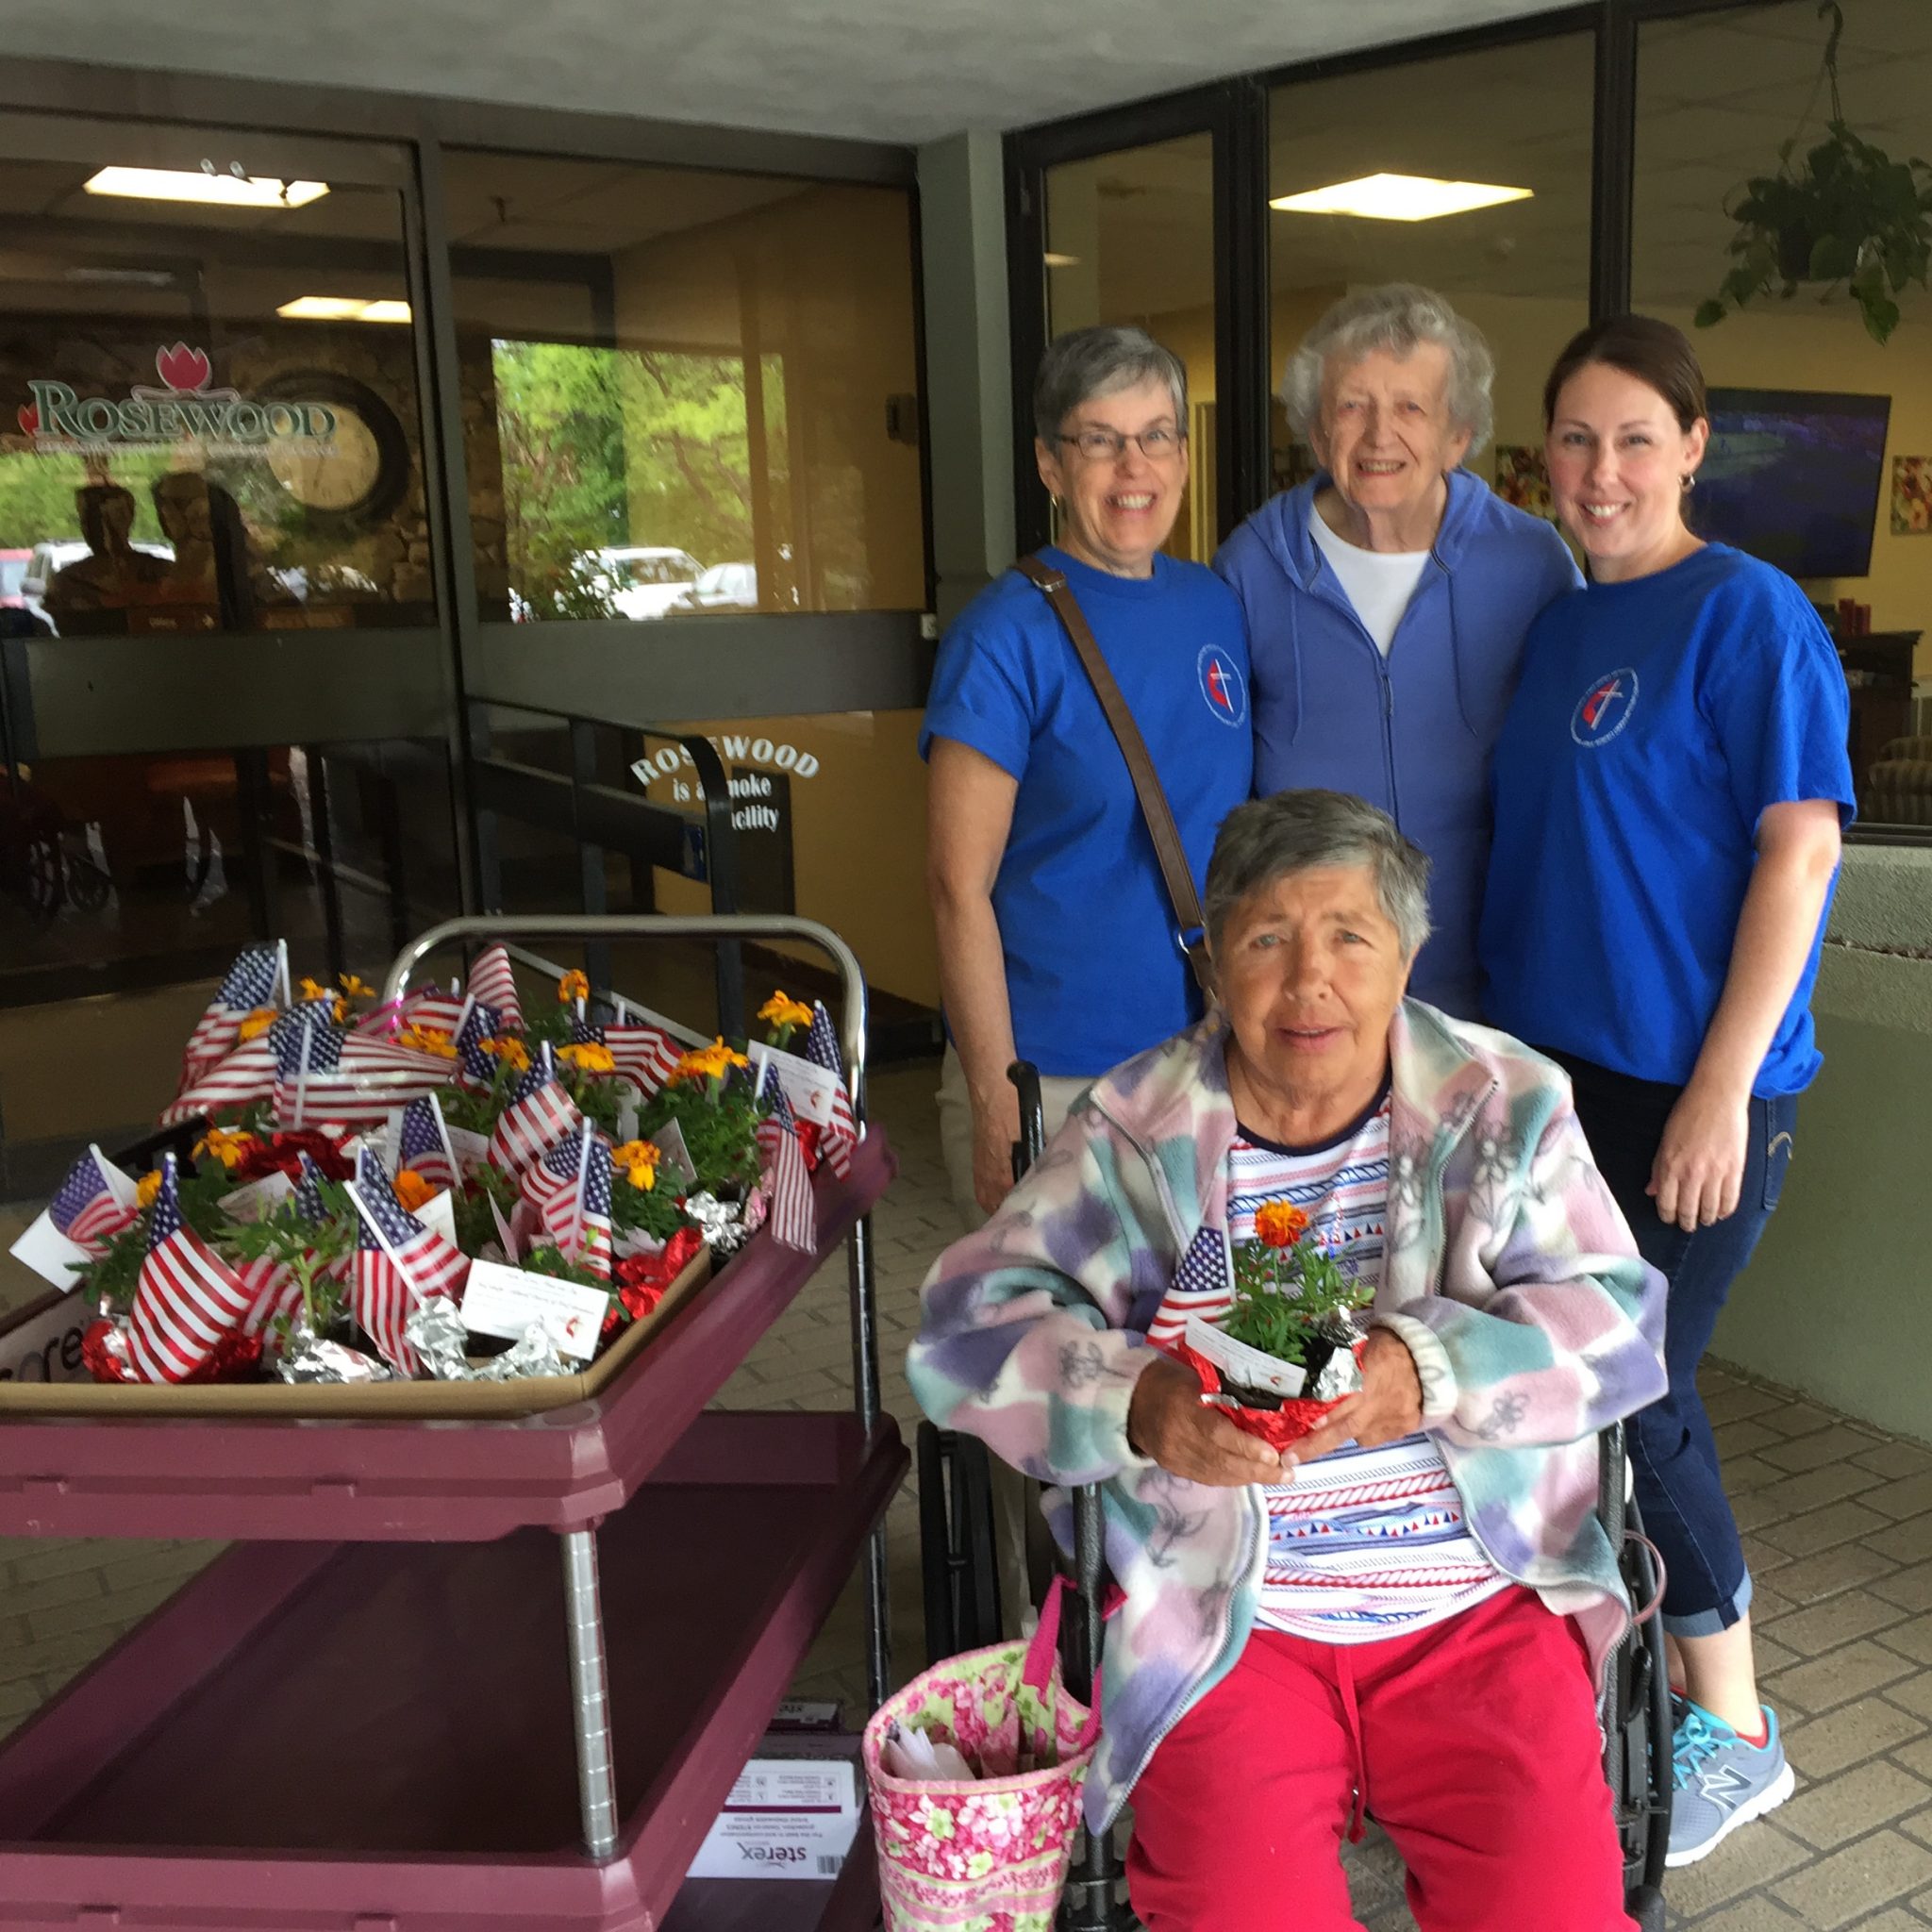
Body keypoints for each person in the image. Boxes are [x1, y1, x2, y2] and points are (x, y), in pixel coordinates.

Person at [909, 790, 1666, 1932]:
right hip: (1226, 1620)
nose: (1308, 980)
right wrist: (1139, 1399)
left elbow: (1617, 1322)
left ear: (1404, 954)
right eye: (1265, 939)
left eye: (1349, 937)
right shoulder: (1134, 1130)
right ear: (1214, 963)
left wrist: (1426, 1367)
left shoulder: (1499, 1103)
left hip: (1477, 1609)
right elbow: (965, 1330)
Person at [1480, 314, 1854, 1869]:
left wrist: (1716, 1090)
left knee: (1638, 1391)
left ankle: (1736, 1727)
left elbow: (1800, 849)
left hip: (1691, 1094)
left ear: (1691, 448)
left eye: (1635, 437)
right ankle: (1600, 1677)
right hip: (1553, 1087)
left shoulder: (1748, 616)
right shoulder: (1558, 625)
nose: (1602, 469)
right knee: (1558, 1402)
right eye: (1574, 439)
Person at [922, 324, 1251, 1631]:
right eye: (1101, 441)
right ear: (1052, 464)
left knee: (1196, 1360)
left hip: (1202, 1072)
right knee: (1058, 1386)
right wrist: (998, 1097)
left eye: (1158, 436)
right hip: (1056, 1070)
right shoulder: (1006, 632)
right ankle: (1047, 1655)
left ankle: (1182, 1633)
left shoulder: (1212, 604)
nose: (1135, 468)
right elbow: (957, 888)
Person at [1215, 284, 1578, 1019]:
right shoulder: (1251, 568)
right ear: (1317, 434)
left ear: (1458, 435)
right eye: (1352, 406)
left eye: (1412, 407)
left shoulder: (1532, 564)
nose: (1380, 435)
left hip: (1498, 996)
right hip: (1315, 1003)